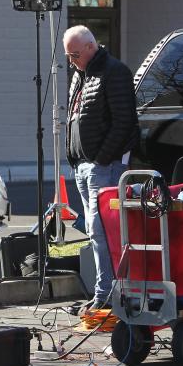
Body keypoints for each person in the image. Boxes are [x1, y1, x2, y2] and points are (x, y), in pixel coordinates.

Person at [63, 25, 140, 311]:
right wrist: (75, 158)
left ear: (90, 48)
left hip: (101, 166)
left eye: (74, 55)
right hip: (84, 165)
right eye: (69, 56)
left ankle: (106, 294)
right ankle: (103, 292)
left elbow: (124, 121)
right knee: (95, 231)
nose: (71, 61)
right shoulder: (81, 74)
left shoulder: (114, 72)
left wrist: (103, 158)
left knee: (101, 230)